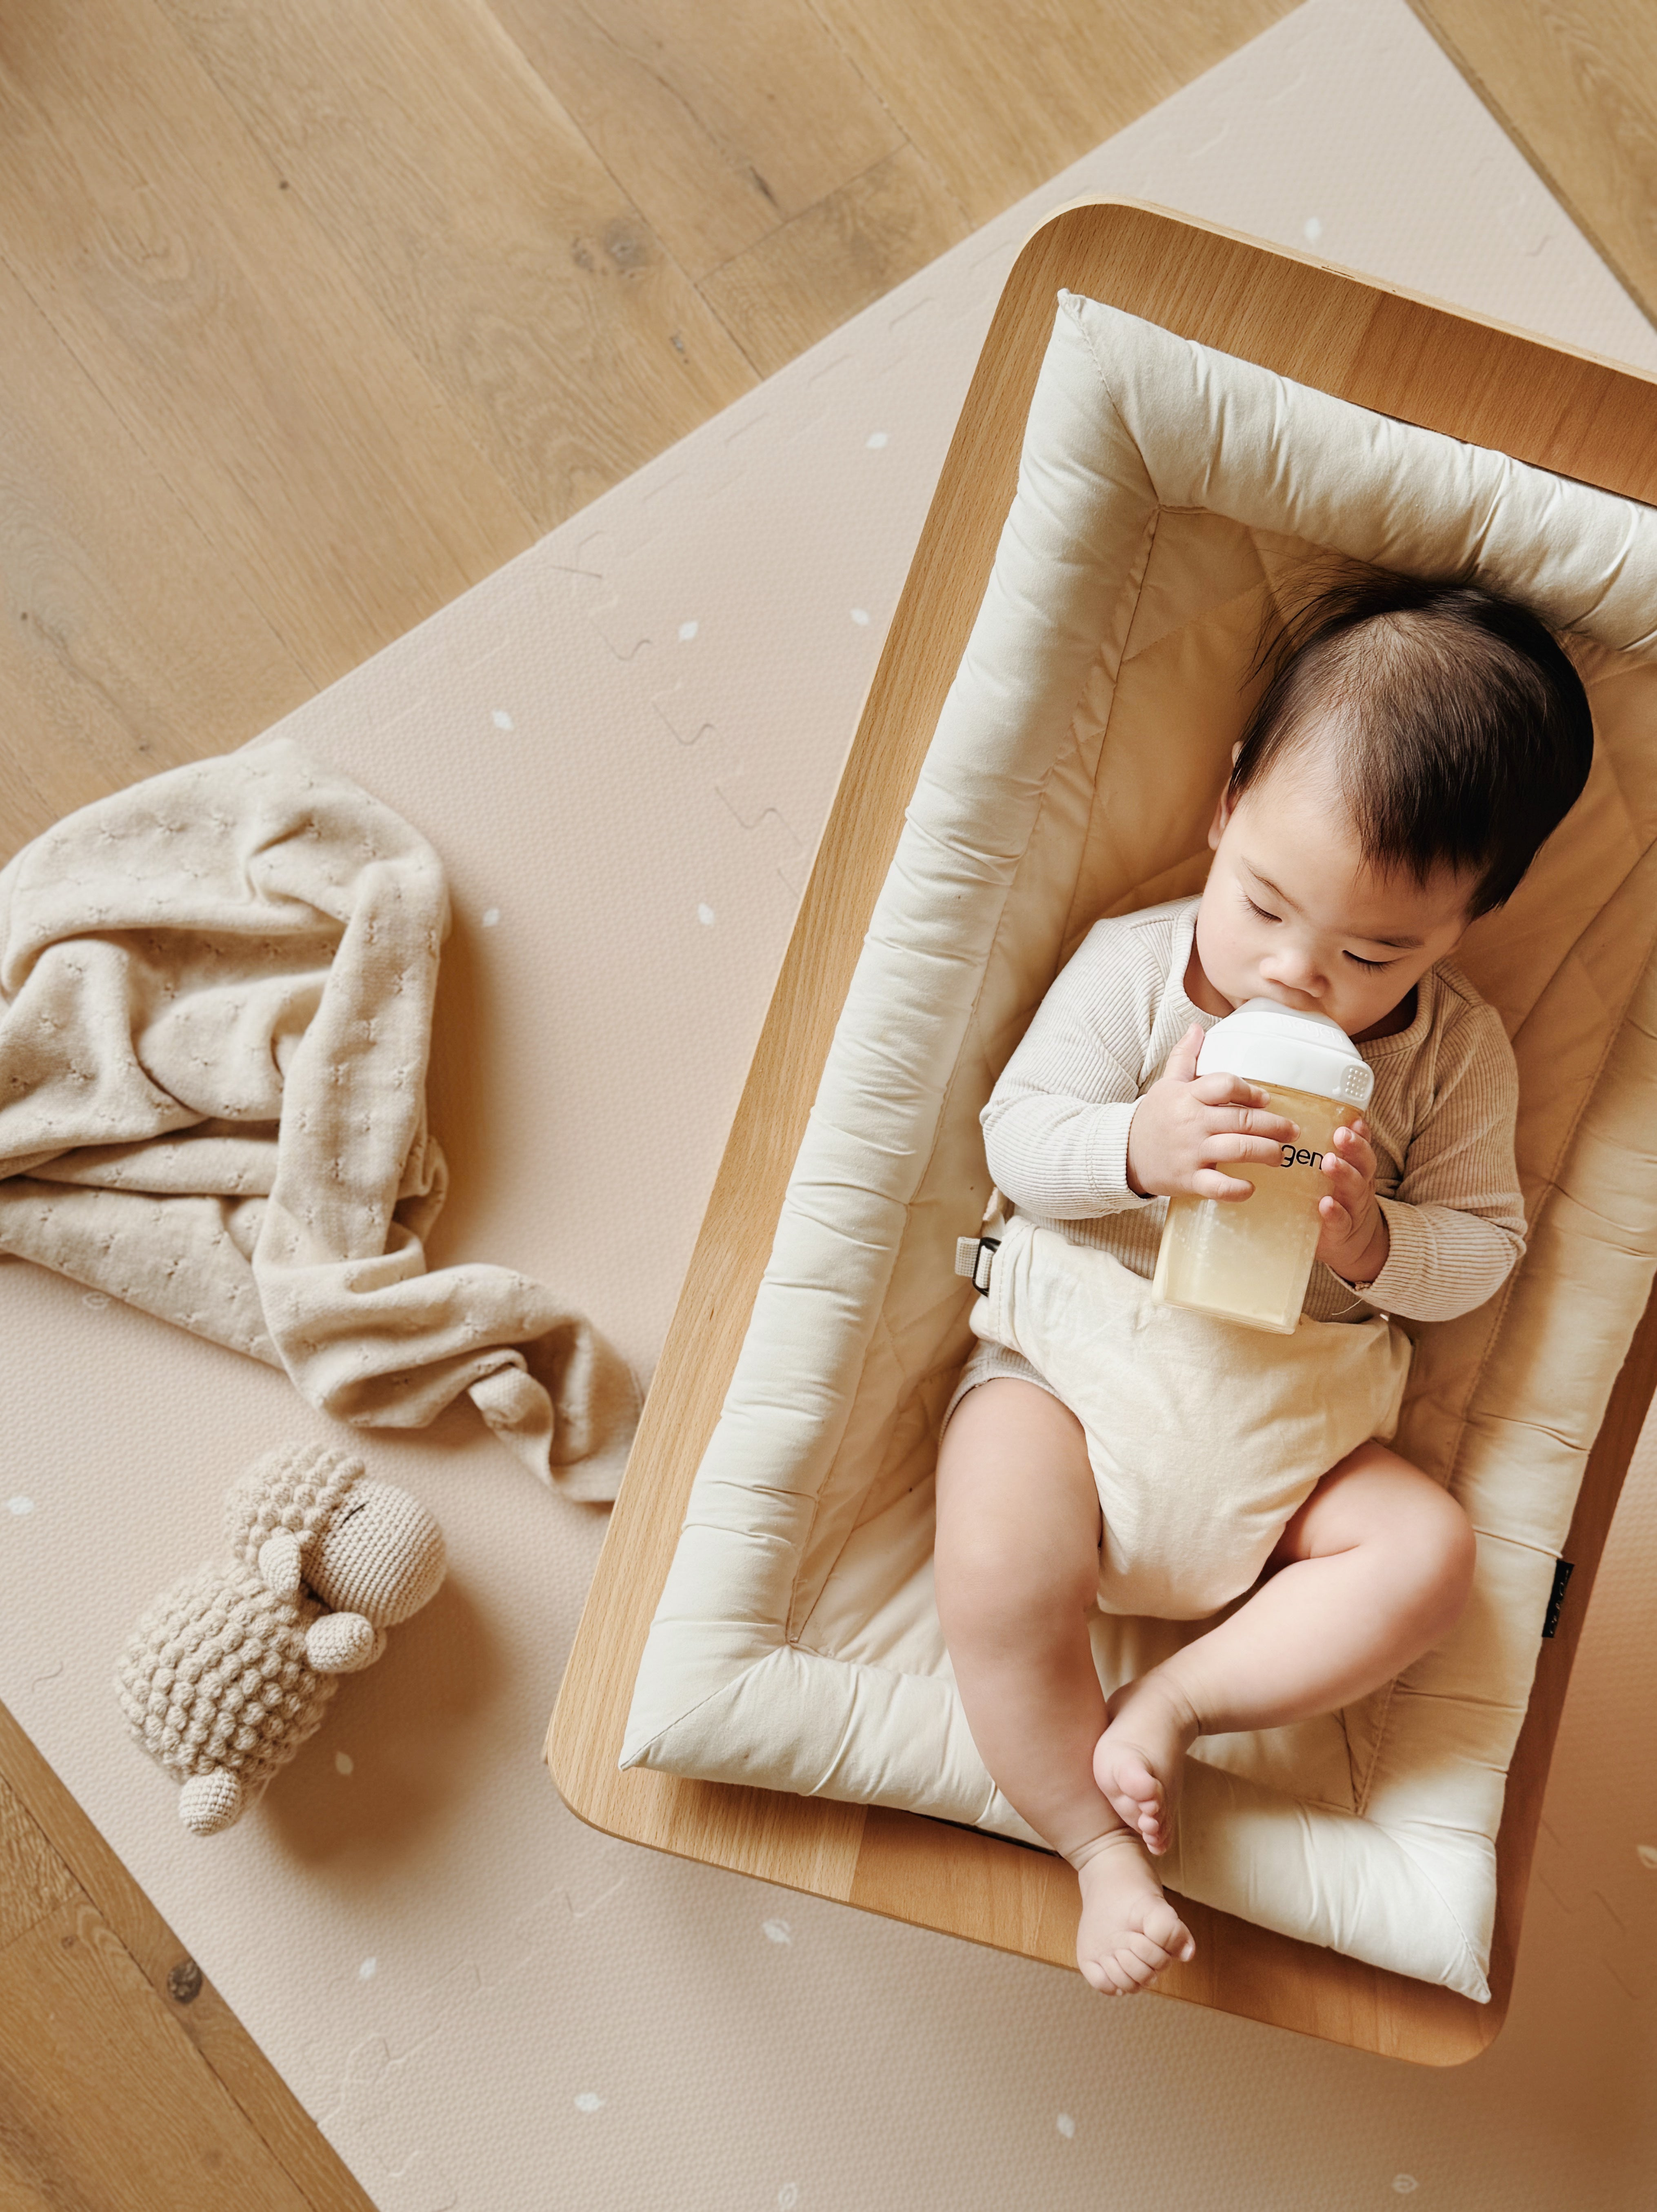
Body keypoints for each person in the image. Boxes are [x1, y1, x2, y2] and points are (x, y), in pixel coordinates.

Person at [932, 571, 1593, 1996]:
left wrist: (1371, 1244)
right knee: (991, 1561)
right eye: (1264, 910)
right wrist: (1136, 1143)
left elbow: (1481, 1248)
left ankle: (1175, 1697)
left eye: (1372, 953)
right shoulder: (1138, 974)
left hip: (1291, 1439)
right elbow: (1015, 1135)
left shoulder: (1451, 1059)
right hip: (1074, 1379)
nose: (1294, 977)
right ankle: (1097, 1849)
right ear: (1225, 808)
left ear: (1466, 920)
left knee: (1425, 1559)